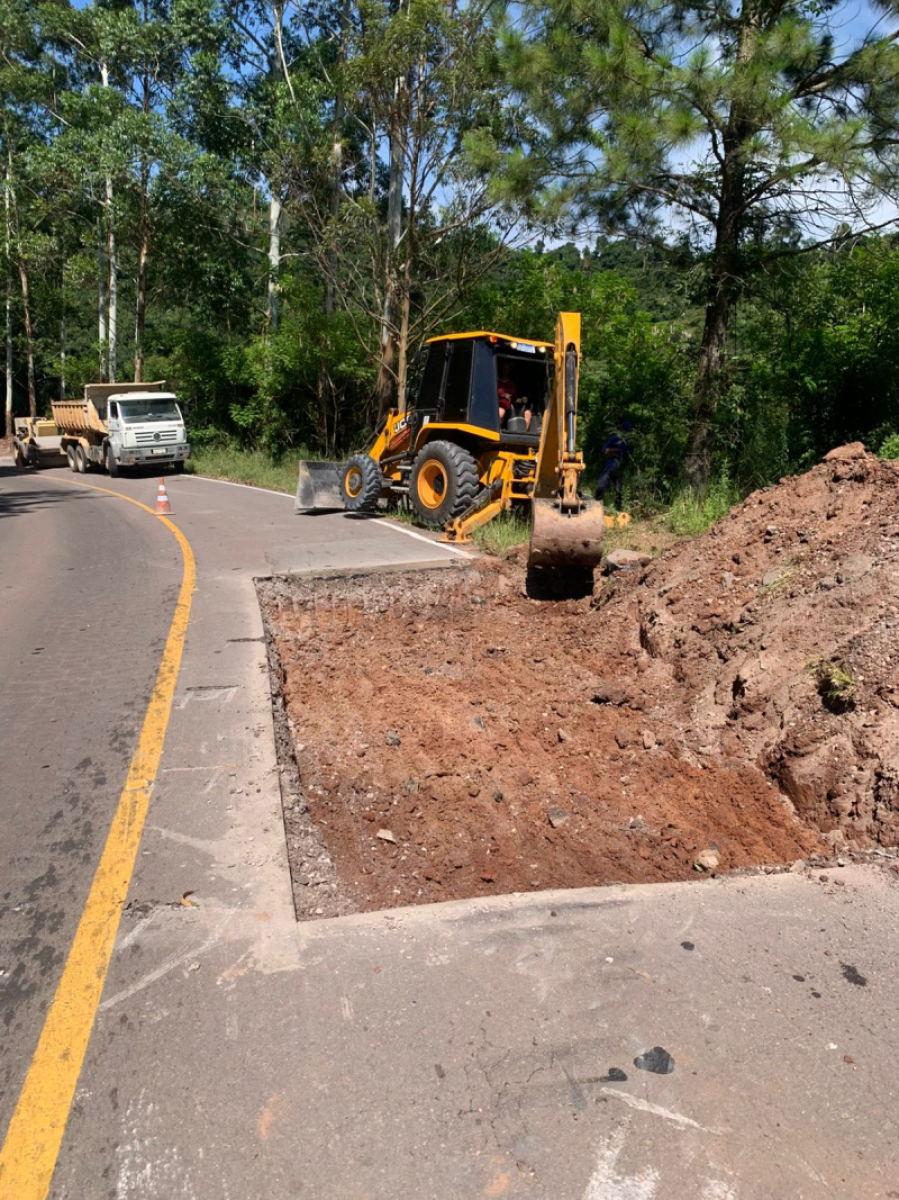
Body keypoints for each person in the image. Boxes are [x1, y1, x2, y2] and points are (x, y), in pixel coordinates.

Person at [595, 421, 634, 510]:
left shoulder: (629, 442)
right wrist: (617, 450)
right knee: (600, 487)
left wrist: (613, 452)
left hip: (620, 470)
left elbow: (628, 454)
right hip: (609, 468)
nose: (626, 433)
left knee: (619, 492)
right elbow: (605, 451)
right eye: (625, 431)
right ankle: (597, 507)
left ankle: (618, 510)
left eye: (628, 431)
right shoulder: (614, 439)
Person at [497, 359, 532, 430]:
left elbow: (514, 399)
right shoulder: (496, 381)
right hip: (499, 406)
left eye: (507, 369)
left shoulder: (511, 383)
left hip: (511, 409)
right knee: (501, 412)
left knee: (528, 413)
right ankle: (499, 430)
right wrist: (503, 395)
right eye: (504, 368)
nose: (505, 370)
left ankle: (523, 434)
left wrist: (521, 400)